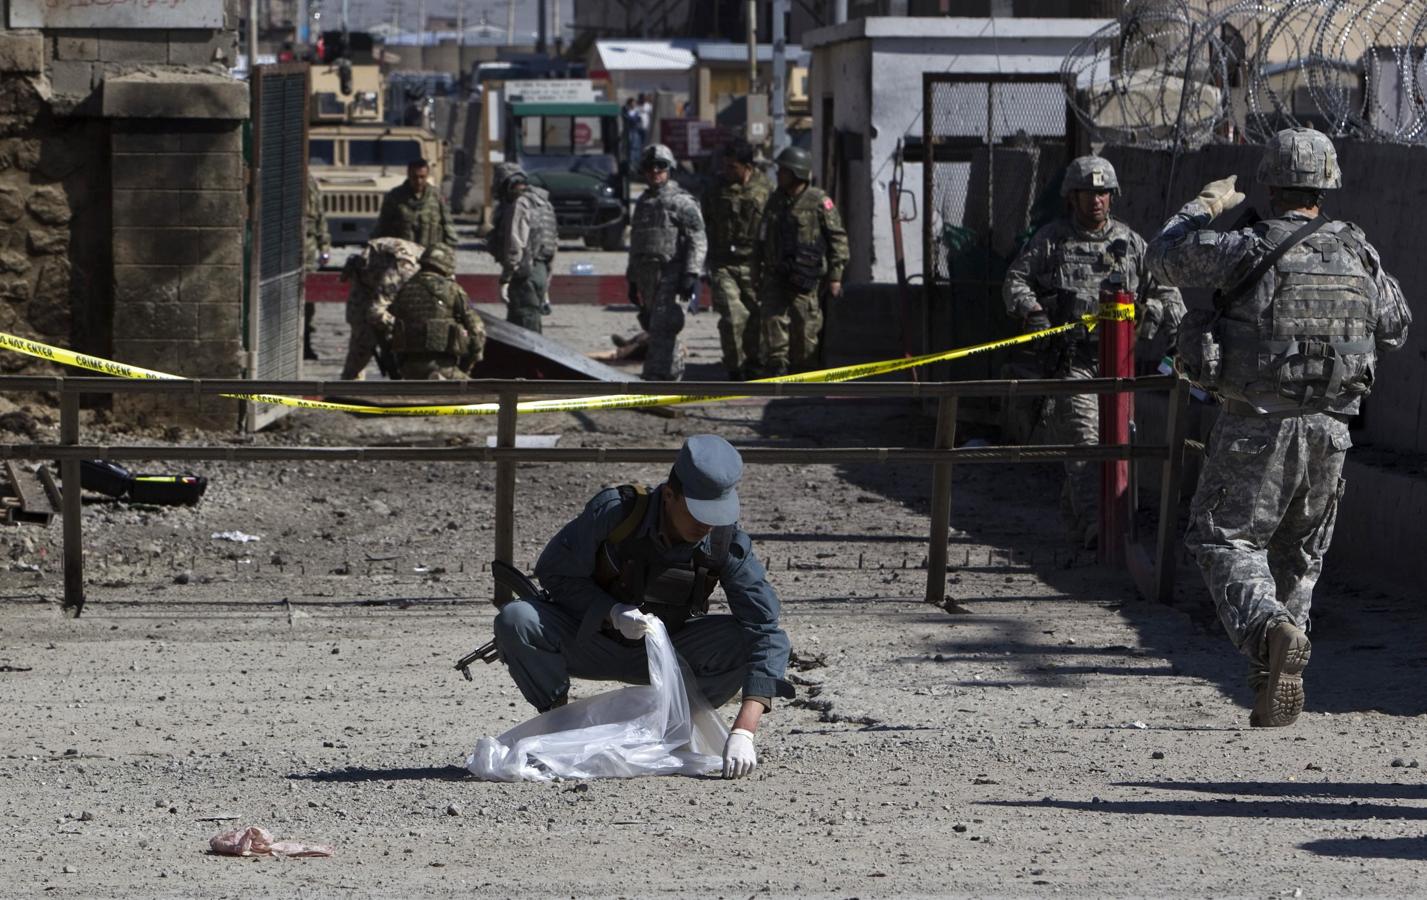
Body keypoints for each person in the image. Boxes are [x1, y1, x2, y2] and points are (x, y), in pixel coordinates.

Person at [1147, 127, 1410, 728]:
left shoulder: (1242, 246)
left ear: (1269, 182)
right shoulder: (1358, 251)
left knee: (1222, 539)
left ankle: (1270, 632)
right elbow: (1395, 326)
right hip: (1333, 431)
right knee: (1298, 556)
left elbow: (1159, 260)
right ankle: (1273, 677)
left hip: (1257, 424)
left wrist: (1203, 208)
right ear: (1327, 186)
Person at [492, 434, 795, 779]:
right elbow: (555, 573)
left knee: (740, 640)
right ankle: (560, 726)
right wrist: (610, 610)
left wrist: (744, 730)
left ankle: (672, 728)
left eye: (715, 514)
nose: (706, 525)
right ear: (669, 496)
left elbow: (765, 630)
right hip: (591, 639)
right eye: (698, 513)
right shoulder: (617, 514)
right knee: (517, 619)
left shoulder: (724, 540)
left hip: (670, 654)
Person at [1002, 155, 1184, 548]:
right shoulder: (1052, 241)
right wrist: (1032, 310)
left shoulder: (1130, 244)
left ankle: (1085, 520)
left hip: (1120, 363)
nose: (1096, 200)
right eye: (1087, 192)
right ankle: (1098, 531)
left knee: (1119, 448)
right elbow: (1016, 280)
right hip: (1074, 362)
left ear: (1112, 196)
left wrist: (1156, 316)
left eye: (1102, 192)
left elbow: (1167, 291)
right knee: (1084, 445)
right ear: (1072, 196)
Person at [752, 146, 848, 377]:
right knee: (772, 319)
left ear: (797, 173)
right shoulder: (775, 200)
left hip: (805, 277)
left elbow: (837, 239)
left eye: (784, 171)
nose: (779, 175)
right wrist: (756, 271)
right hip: (775, 274)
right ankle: (778, 366)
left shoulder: (818, 201)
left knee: (805, 327)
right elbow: (761, 237)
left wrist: (835, 277)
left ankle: (805, 370)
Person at [626, 144, 706, 381]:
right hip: (646, 275)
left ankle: (658, 377)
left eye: (660, 167)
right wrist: (632, 279)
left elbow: (698, 238)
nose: (655, 172)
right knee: (653, 324)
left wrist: (691, 273)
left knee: (665, 323)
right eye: (650, 168)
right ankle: (670, 371)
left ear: (669, 169)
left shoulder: (681, 201)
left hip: (670, 273)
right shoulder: (643, 202)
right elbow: (637, 242)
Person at [701, 139, 770, 380]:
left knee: (755, 320)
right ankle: (735, 367)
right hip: (724, 265)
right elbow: (704, 224)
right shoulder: (714, 190)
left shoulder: (766, 190)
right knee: (732, 317)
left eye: (733, 167)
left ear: (747, 167)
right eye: (725, 166)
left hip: (755, 265)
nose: (727, 171)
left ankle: (755, 364)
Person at [380, 244, 484, 380]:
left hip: (409, 368)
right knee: (477, 395)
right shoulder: (452, 289)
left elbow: (388, 328)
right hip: (444, 366)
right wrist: (469, 364)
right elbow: (477, 331)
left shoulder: (405, 289)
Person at [338, 237, 423, 380]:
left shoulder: (436, 272)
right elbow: (375, 312)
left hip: (381, 277)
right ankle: (347, 394)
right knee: (360, 351)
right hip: (365, 291)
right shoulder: (404, 269)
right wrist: (397, 326)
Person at [492, 162, 559, 333]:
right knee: (526, 322)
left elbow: (516, 244)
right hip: (541, 272)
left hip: (524, 273)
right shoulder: (544, 204)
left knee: (524, 328)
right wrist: (547, 281)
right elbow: (552, 245)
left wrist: (506, 277)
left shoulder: (520, 204)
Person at [373, 158, 457, 253]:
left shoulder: (437, 196)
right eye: (415, 177)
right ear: (408, 175)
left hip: (430, 255)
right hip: (402, 255)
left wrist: (450, 249)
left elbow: (448, 224)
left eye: (422, 177)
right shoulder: (395, 197)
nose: (419, 181)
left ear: (427, 176)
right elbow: (383, 226)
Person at [303, 174, 331, 361]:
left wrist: (325, 247)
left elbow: (320, 218)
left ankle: (305, 342)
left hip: (308, 249)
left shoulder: (311, 183)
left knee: (308, 301)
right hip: (284, 249)